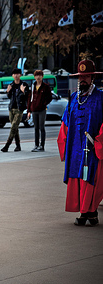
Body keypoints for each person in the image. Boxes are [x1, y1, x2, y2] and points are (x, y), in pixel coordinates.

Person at [57, 59, 103, 227]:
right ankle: (85, 212)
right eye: (80, 77)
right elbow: (66, 123)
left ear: (92, 77)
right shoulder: (75, 98)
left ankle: (91, 212)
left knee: (91, 180)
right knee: (78, 179)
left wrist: (99, 141)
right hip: (76, 148)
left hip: (92, 148)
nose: (82, 80)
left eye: (86, 76)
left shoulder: (100, 98)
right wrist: (63, 143)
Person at [1, 68, 30, 152]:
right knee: (15, 128)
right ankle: (18, 146)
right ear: (12, 75)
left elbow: (27, 96)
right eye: (14, 74)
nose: (16, 75)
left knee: (13, 127)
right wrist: (8, 91)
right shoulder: (11, 85)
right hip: (11, 109)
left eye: (18, 74)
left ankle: (7, 145)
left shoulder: (24, 85)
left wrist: (23, 91)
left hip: (19, 109)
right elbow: (9, 97)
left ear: (20, 75)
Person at [27, 70, 52, 152]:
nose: (38, 77)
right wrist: (29, 110)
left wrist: (44, 103)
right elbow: (29, 99)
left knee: (42, 127)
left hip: (42, 109)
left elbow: (50, 97)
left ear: (42, 76)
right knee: (36, 128)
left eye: (40, 75)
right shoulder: (33, 86)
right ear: (34, 77)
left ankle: (42, 146)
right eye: (36, 75)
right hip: (34, 109)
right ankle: (36, 145)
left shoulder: (46, 86)